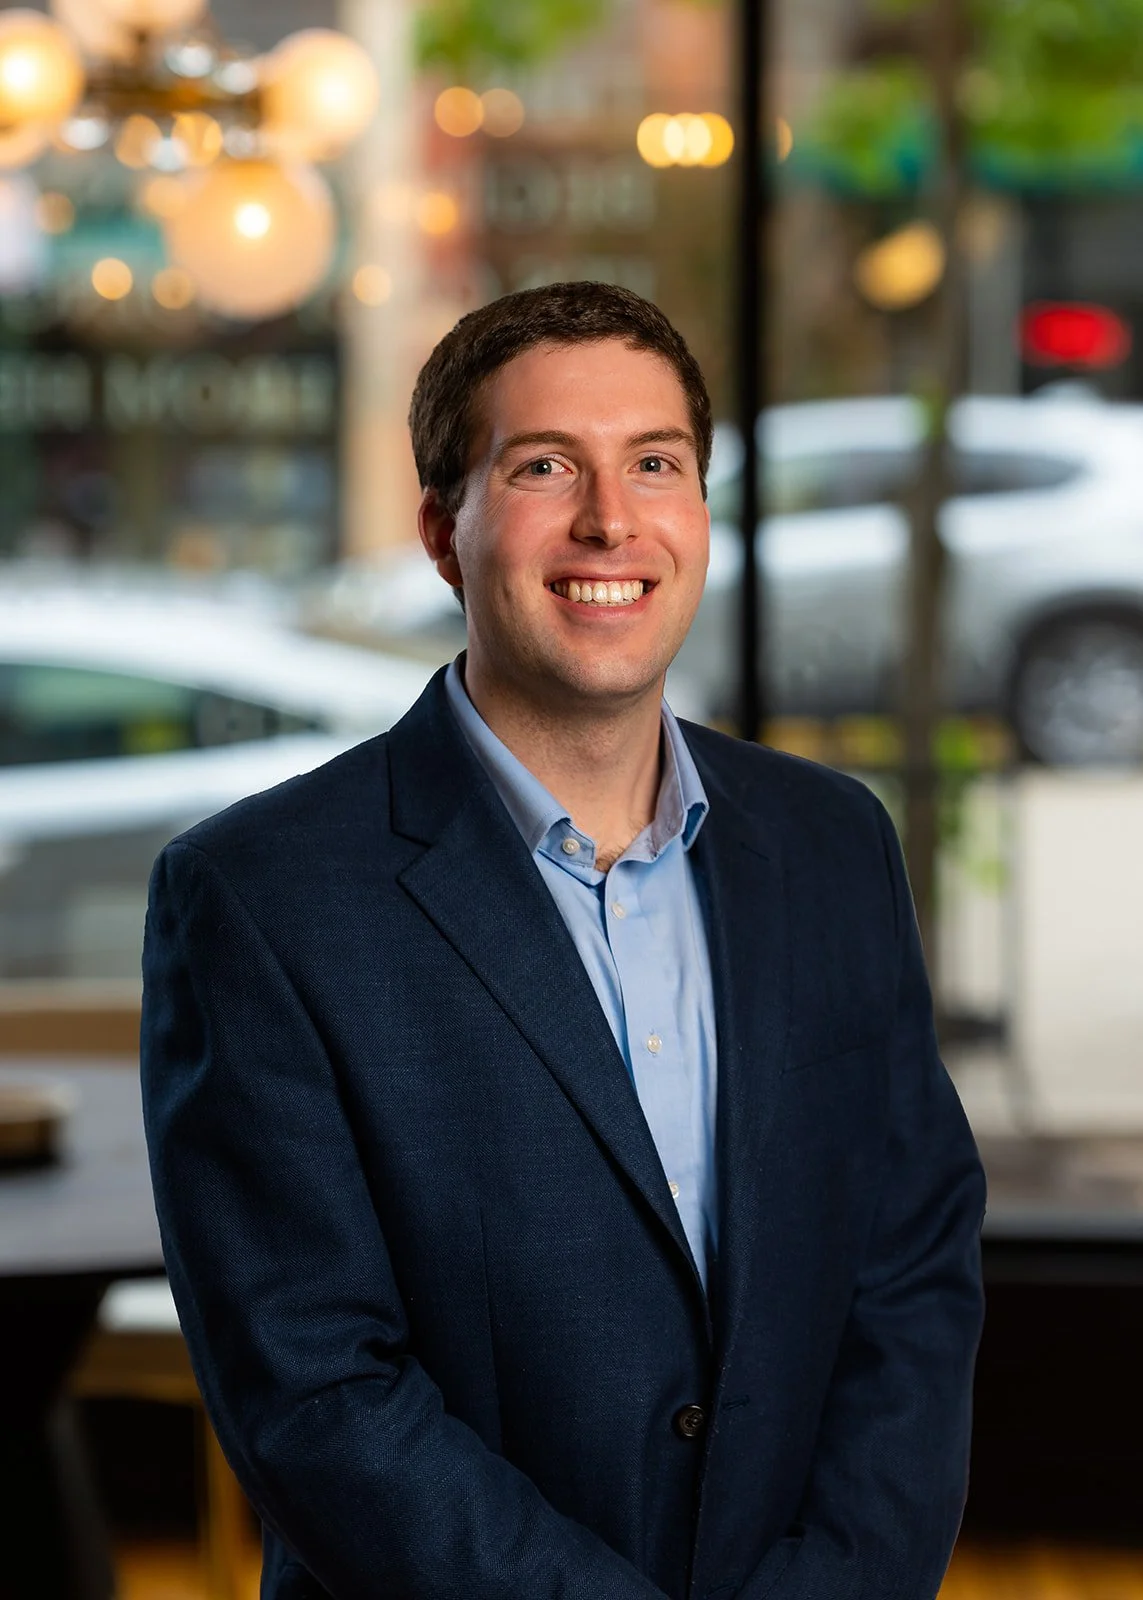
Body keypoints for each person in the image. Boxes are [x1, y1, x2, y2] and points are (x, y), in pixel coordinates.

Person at [141, 282, 986, 1600]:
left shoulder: (830, 846)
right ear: (441, 531)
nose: (612, 519)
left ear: (700, 510)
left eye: (656, 463)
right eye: (544, 468)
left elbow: (910, 1271)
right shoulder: (258, 896)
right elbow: (312, 1387)